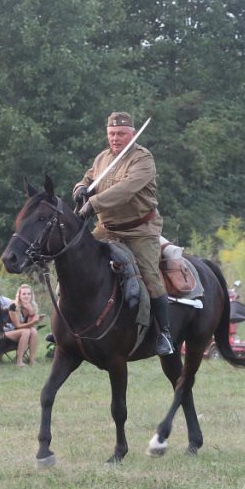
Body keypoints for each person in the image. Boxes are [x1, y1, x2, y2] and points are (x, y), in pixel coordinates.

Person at [72, 112, 174, 355]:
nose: (115, 138)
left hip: (140, 230)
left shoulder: (143, 159)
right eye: (111, 134)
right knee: (74, 262)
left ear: (132, 133)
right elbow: (88, 177)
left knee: (149, 276)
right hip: (106, 229)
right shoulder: (102, 158)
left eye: (120, 134)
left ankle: (164, 334)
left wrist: (93, 204)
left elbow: (125, 190)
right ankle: (68, 326)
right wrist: (80, 188)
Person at [3, 284, 44, 366]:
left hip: (21, 331)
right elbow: (17, 326)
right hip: (6, 332)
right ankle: (19, 361)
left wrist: (31, 312)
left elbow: (30, 326)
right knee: (26, 331)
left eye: (29, 294)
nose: (26, 296)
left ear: (31, 295)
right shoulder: (13, 306)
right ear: (19, 295)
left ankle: (32, 360)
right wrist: (33, 321)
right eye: (24, 294)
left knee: (33, 331)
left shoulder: (32, 306)